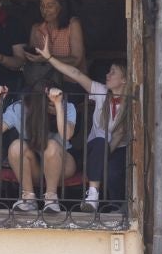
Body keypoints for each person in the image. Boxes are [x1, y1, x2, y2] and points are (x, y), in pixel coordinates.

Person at [42, 51, 129, 210]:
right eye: (108, 71)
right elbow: (76, 74)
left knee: (113, 172)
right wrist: (49, 57)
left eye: (113, 72)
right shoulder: (101, 92)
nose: (107, 75)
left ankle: (116, 208)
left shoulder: (132, 103)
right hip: (94, 149)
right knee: (100, 142)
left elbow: (119, 135)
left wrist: (107, 155)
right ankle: (93, 197)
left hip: (118, 149)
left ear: (124, 80)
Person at [0, 79, 76, 215]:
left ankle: (51, 198)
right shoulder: (20, 108)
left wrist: (58, 106)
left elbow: (67, 134)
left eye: (57, 99)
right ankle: (28, 198)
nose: (53, 104)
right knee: (16, 146)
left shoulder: (66, 107)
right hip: (35, 168)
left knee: (50, 145)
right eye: (50, 102)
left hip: (62, 166)